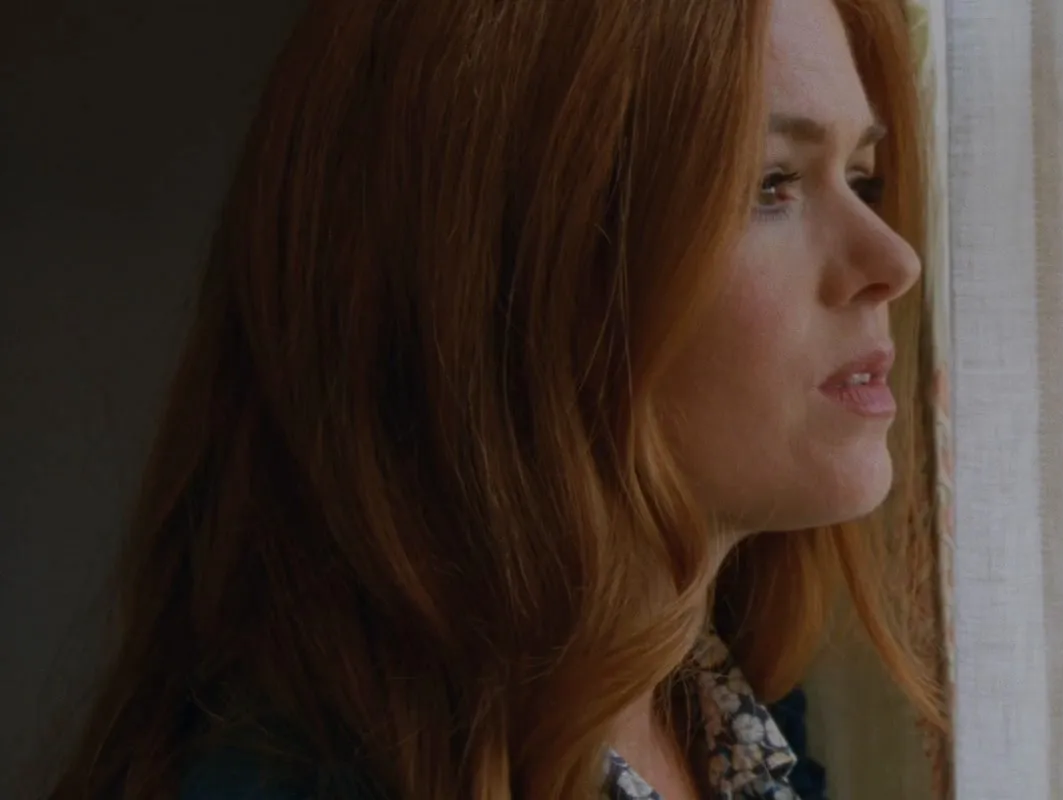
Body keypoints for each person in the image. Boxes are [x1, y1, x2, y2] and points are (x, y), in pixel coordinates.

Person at [43, 0, 944, 796]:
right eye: (771, 184)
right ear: (513, 268)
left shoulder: (739, 724)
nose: (893, 261)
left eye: (862, 177)